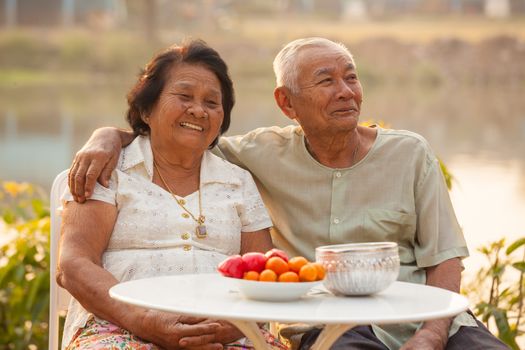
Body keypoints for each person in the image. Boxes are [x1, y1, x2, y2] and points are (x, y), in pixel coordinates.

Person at [68, 37, 509, 350]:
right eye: (326, 81)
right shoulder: (247, 157)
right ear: (286, 103)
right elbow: (175, 137)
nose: (345, 92)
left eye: (350, 78)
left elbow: (445, 258)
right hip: (329, 327)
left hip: (424, 322)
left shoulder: (409, 154)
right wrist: (107, 135)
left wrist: (431, 336)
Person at [57, 40, 287, 350]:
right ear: (146, 108)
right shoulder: (109, 169)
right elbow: (74, 264)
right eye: (183, 95)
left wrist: (220, 331)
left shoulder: (238, 182)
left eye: (211, 102)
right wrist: (145, 321)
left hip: (225, 332)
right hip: (117, 327)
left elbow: (262, 276)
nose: (198, 110)